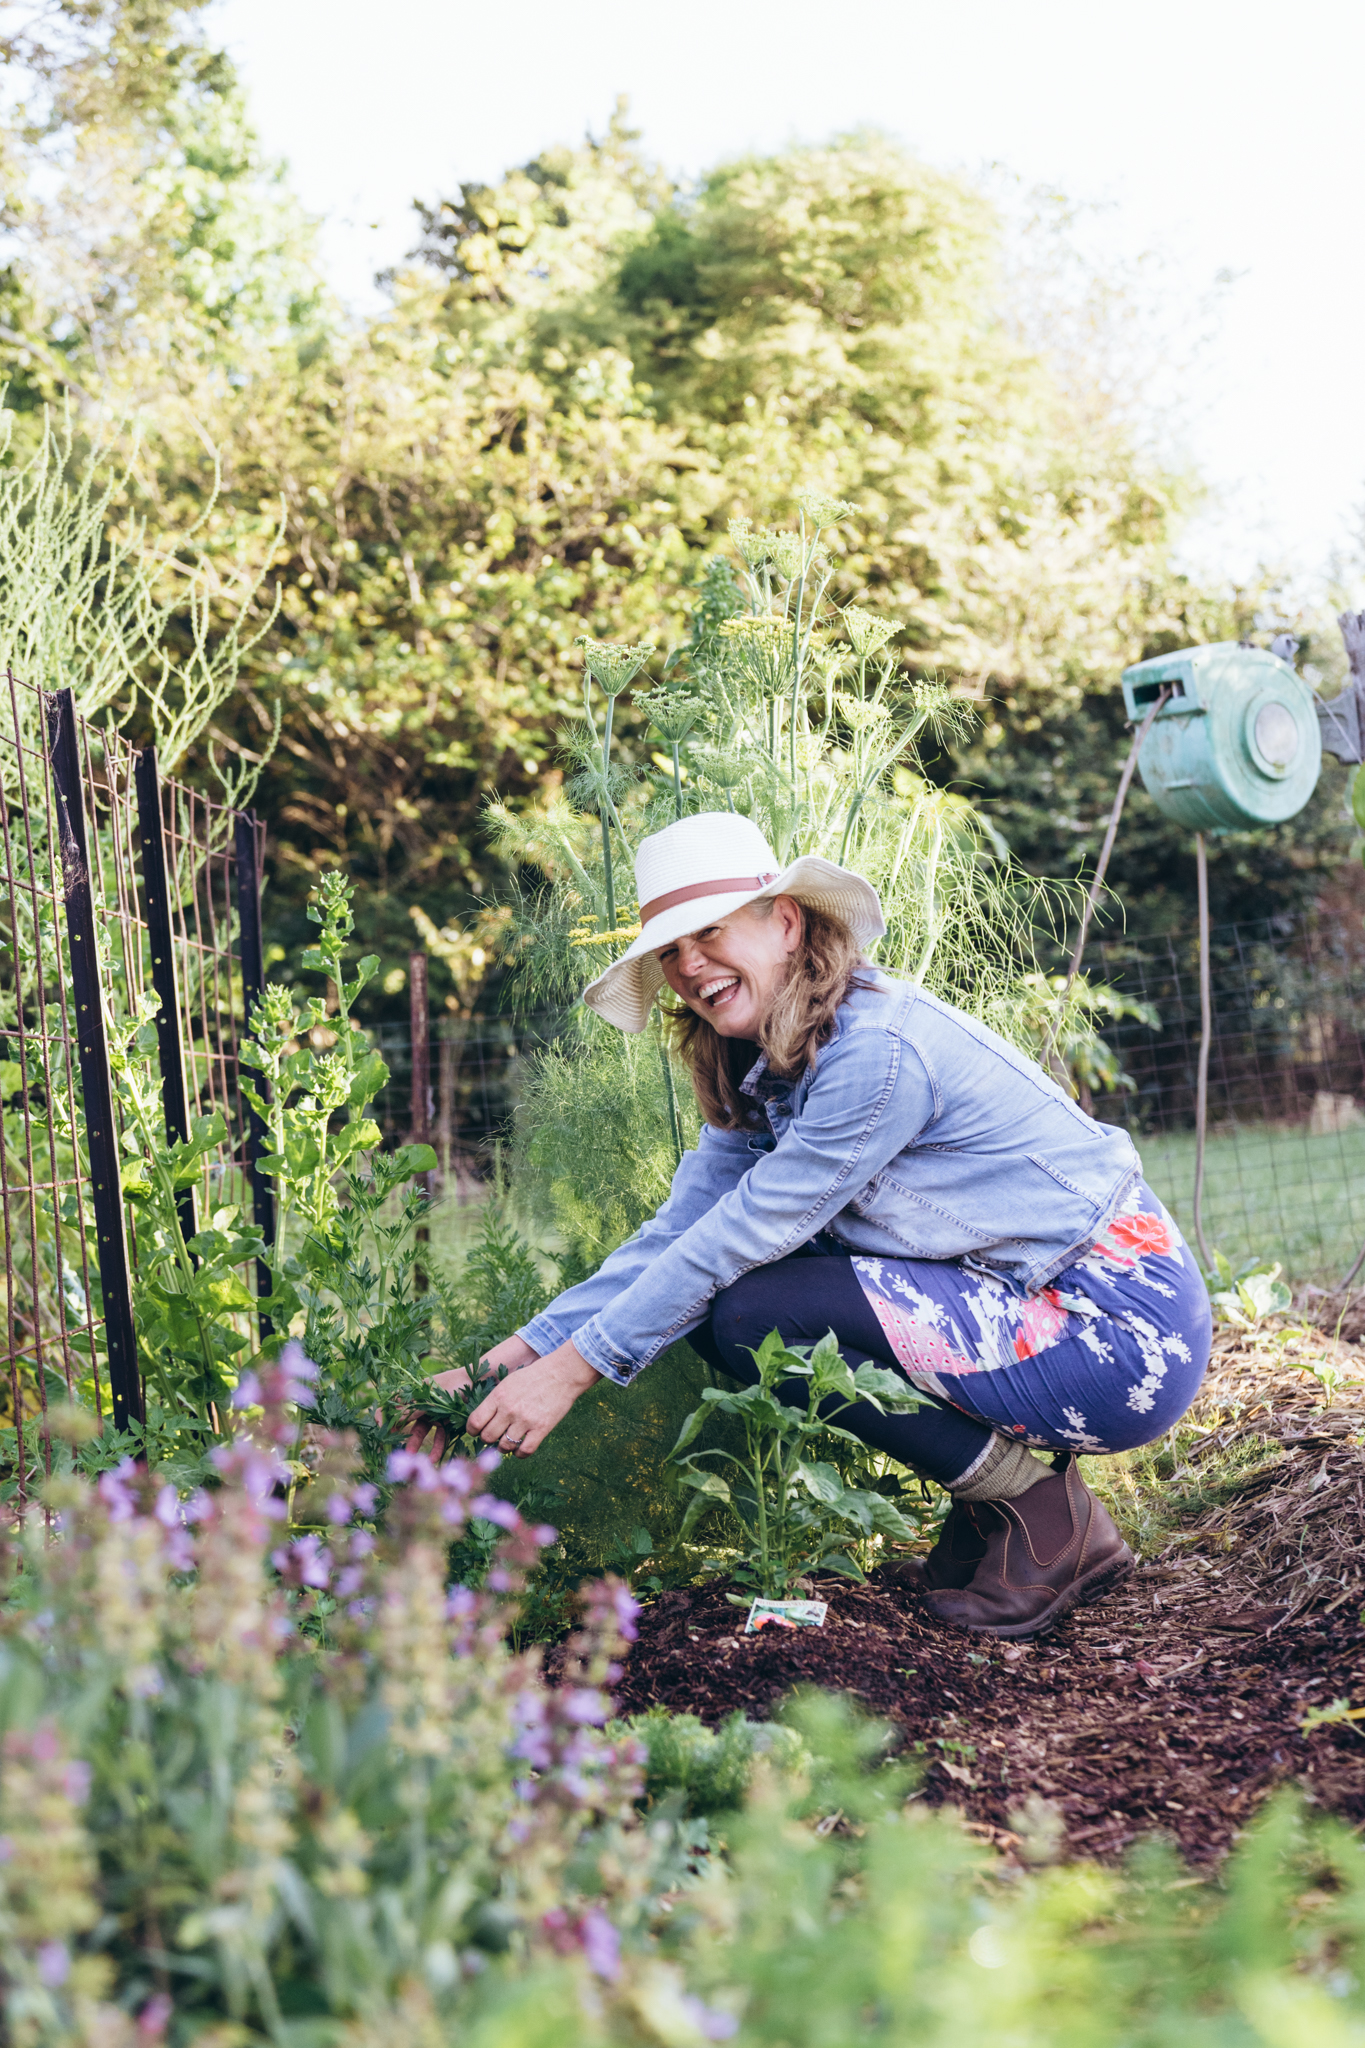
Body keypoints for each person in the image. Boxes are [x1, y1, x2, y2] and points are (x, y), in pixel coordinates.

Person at [413, 812, 1212, 1640]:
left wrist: (573, 1373)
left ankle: (1040, 1511)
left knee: (758, 1311)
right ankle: (995, 1511)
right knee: (733, 1311)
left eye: (710, 933)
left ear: (786, 923)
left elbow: (737, 1241)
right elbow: (677, 1235)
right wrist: (494, 1368)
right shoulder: (761, 1056)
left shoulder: (875, 1053)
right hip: (1033, 1309)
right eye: (669, 951)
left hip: (1119, 1336)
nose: (688, 967)